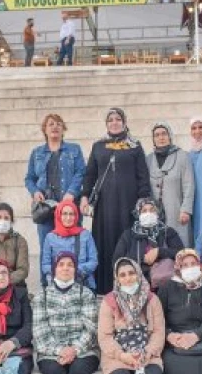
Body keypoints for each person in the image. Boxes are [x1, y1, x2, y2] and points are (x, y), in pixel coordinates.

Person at [32, 252, 102, 374]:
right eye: (61, 264)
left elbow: (91, 328)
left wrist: (74, 350)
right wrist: (59, 351)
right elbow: (39, 330)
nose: (65, 268)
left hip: (84, 350)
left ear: (75, 269)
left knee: (79, 371)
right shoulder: (42, 296)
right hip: (51, 351)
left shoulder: (85, 294)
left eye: (69, 265)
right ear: (55, 268)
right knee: (53, 372)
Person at [80, 108, 152, 294]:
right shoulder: (98, 146)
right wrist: (85, 195)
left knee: (127, 241)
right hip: (105, 207)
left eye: (118, 119)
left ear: (124, 122)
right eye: (110, 119)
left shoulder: (135, 146)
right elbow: (90, 174)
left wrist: (144, 202)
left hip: (129, 204)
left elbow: (143, 177)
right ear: (106, 124)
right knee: (105, 242)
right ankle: (105, 287)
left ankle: (129, 284)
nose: (114, 122)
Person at [98, 258, 166, 374]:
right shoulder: (109, 301)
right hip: (118, 354)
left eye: (131, 273)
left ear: (138, 274)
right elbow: (104, 336)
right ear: (117, 279)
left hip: (146, 353)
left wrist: (147, 352)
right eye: (122, 275)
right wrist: (123, 356)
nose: (127, 278)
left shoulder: (152, 299)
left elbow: (159, 332)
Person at [24, 113, 86, 251]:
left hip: (69, 207)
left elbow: (81, 172)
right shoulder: (37, 153)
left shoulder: (74, 149)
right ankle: (47, 274)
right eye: (51, 124)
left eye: (59, 124)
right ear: (44, 129)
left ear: (63, 129)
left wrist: (71, 192)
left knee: (73, 247)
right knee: (47, 249)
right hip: (45, 209)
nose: (55, 127)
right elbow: (29, 178)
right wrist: (35, 192)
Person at [113, 198, 184, 290]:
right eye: (144, 211)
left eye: (152, 210)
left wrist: (159, 252)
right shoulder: (128, 235)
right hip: (135, 284)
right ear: (138, 214)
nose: (148, 213)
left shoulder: (168, 232)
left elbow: (182, 254)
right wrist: (142, 258)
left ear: (158, 213)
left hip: (165, 284)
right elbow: (118, 260)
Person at [146, 121, 194, 246]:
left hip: (177, 210)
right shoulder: (148, 159)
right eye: (157, 135)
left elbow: (188, 185)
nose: (161, 137)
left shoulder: (182, 156)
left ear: (170, 136)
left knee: (179, 244)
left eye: (164, 134)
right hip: (155, 213)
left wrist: (186, 210)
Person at [41, 199, 97, 289]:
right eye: (64, 214)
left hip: (82, 284)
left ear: (76, 216)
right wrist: (61, 273)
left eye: (71, 214)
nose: (68, 218)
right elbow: (45, 265)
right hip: (57, 285)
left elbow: (93, 261)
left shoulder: (85, 235)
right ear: (59, 215)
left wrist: (73, 271)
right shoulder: (50, 237)